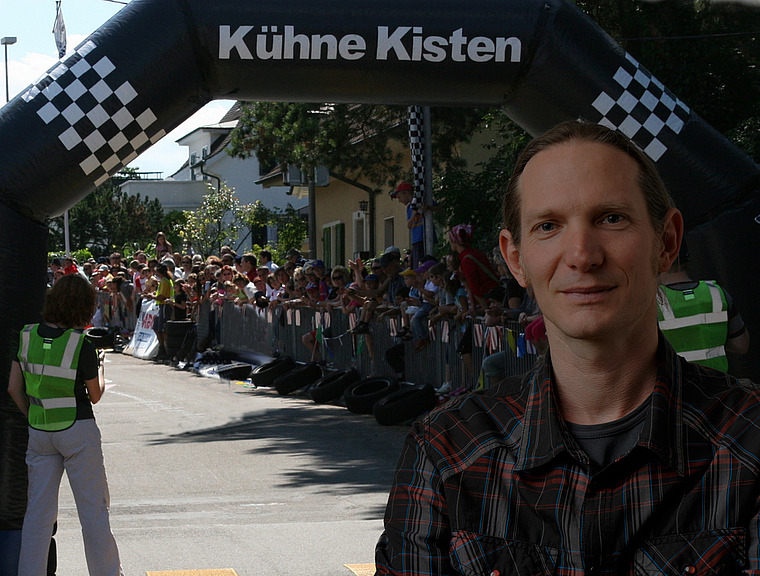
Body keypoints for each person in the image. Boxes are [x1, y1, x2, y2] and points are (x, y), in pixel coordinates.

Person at [375, 120, 760, 575]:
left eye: (611, 218)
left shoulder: (750, 444)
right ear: (515, 259)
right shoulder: (445, 452)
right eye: (548, 226)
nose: (582, 254)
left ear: (667, 242)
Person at [7, 274, 124, 576]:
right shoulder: (80, 344)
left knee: (38, 515)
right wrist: (98, 365)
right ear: (82, 308)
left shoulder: (27, 335)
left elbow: (12, 388)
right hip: (77, 431)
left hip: (40, 432)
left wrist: (33, 414)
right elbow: (95, 395)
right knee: (93, 512)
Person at [657, 240, 749, 372]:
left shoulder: (651, 303)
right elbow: (741, 345)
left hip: (677, 389)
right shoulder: (716, 293)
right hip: (719, 387)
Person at [390, 182, 439, 269]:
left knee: (424, 265)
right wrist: (414, 213)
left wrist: (429, 208)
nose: (399, 200)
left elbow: (440, 209)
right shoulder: (410, 208)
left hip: (426, 237)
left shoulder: (424, 201)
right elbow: (409, 225)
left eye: (399, 197)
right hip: (416, 240)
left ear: (406, 193)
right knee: (416, 266)